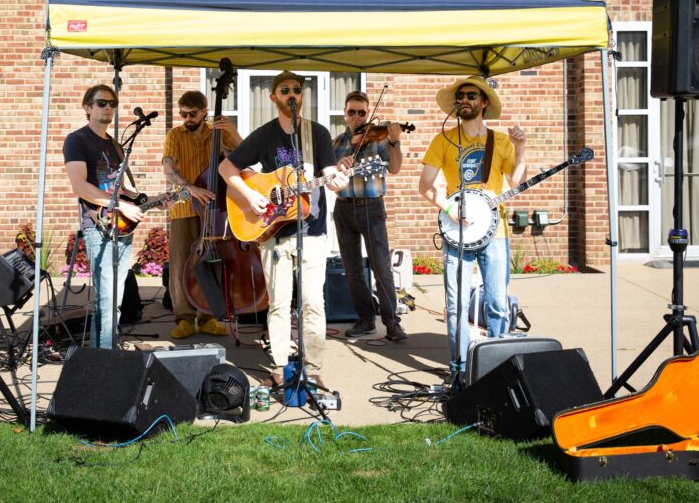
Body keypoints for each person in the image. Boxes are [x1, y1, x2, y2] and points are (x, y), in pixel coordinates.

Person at [219, 70, 348, 388]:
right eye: (285, 90)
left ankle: (313, 367)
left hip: (312, 231)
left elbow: (329, 173)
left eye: (297, 90)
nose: (292, 94)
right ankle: (279, 365)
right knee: (278, 303)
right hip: (274, 232)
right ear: (273, 97)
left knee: (312, 302)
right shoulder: (264, 135)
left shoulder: (317, 134)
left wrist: (338, 181)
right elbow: (226, 167)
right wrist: (250, 195)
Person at [417, 76, 527, 378]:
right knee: (456, 305)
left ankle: (498, 367)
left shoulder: (500, 141)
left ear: (484, 102)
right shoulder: (443, 140)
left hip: (495, 231)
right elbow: (425, 186)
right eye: (460, 96)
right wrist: (449, 208)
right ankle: (460, 370)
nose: (464, 100)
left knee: (497, 303)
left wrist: (521, 148)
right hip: (458, 232)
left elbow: (515, 180)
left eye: (471, 95)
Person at [63, 84, 143, 349]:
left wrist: (151, 200)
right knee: (107, 299)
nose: (108, 108)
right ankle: (106, 358)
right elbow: (80, 186)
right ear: (87, 107)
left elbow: (124, 189)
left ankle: (104, 354)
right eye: (101, 103)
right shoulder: (77, 140)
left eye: (112, 103)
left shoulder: (115, 145)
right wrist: (120, 206)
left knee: (114, 300)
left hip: (122, 226)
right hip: (99, 227)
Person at [162, 90, 242, 339]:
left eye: (192, 114)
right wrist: (191, 188)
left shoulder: (217, 133)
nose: (187, 118)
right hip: (184, 206)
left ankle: (208, 316)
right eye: (183, 113)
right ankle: (184, 318)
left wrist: (232, 131)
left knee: (214, 262)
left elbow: (244, 157)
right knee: (180, 264)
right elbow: (168, 167)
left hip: (214, 209)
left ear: (204, 112)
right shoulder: (175, 135)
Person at [331, 91, 408, 342]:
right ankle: (365, 320)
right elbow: (328, 177)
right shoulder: (336, 142)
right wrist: (337, 167)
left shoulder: (380, 138)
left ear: (367, 113)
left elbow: (395, 168)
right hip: (344, 207)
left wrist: (395, 141)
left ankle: (392, 323)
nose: (357, 116)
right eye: (352, 112)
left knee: (381, 267)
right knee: (352, 270)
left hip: (372, 207)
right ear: (345, 113)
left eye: (361, 112)